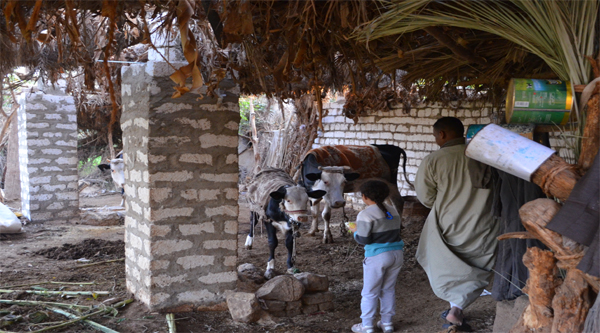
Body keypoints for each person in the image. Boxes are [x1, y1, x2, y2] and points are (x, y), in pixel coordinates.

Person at [414, 117, 498, 330]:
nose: (435, 140)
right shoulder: (484, 156)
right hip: (484, 220)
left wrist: (447, 203)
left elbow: (425, 198)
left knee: (448, 265)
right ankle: (457, 308)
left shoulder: (434, 160)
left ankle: (455, 308)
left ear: (442, 135)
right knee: (479, 260)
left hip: (447, 222)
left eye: (435, 136)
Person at [351, 180, 404, 333]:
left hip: (377, 256)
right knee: (388, 289)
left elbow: (363, 239)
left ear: (364, 196)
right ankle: (387, 323)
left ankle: (367, 325)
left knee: (370, 292)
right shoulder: (393, 210)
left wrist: (354, 230)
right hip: (397, 254)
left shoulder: (365, 214)